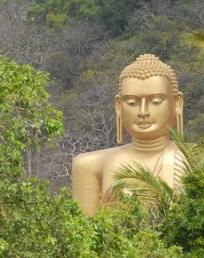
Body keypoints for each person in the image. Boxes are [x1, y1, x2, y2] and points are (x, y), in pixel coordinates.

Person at [71, 54, 185, 216]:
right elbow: (84, 233)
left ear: (177, 103)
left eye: (156, 102)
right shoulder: (90, 165)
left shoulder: (200, 159)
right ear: (118, 106)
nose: (143, 112)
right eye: (132, 102)